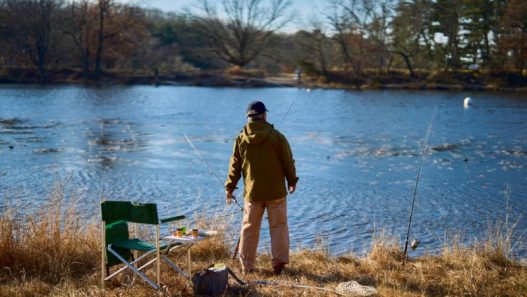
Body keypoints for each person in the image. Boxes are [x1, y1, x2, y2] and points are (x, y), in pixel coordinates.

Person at [225, 101, 298, 275]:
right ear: (264, 115)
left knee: (249, 229)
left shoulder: (241, 138)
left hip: (252, 193)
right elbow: (288, 161)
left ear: (248, 117)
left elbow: (234, 166)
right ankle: (279, 264)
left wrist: (230, 187)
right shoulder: (277, 136)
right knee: (279, 226)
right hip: (276, 192)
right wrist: (292, 180)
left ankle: (247, 267)